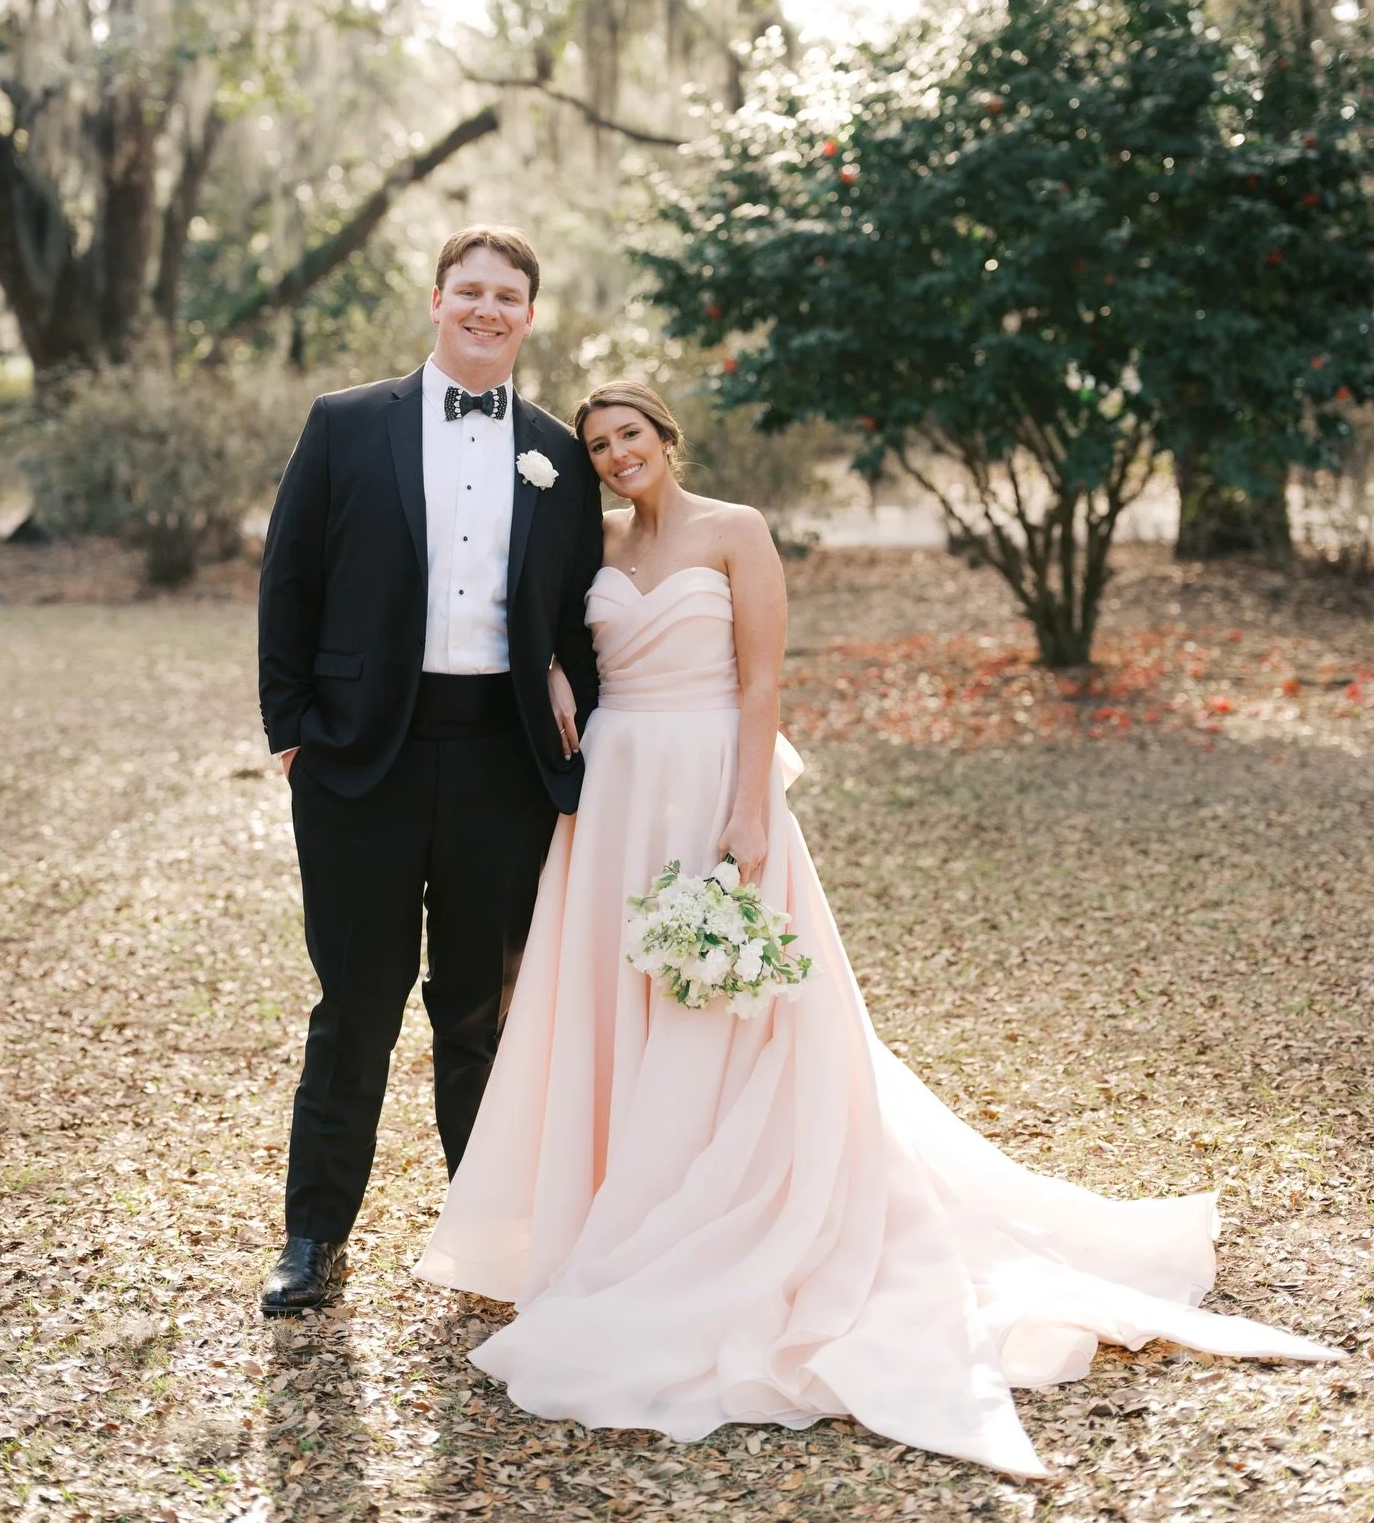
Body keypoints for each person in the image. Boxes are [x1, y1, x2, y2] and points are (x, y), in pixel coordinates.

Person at [414, 379, 1337, 1477]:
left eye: (632, 436)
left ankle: (722, 1211)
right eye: (600, 445)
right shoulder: (595, 542)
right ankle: (620, 1209)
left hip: (711, 777)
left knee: (731, 1008)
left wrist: (750, 809)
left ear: (667, 436)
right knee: (619, 1001)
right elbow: (530, 618)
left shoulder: (736, 530)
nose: (618, 456)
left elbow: (763, 678)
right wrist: (555, 672)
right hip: (617, 790)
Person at [256, 226, 602, 1315]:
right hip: (360, 759)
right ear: (438, 301)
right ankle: (314, 1239)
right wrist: (292, 730)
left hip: (501, 761)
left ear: (530, 316)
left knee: (478, 1011)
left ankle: (485, 1237)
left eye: (508, 295)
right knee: (356, 1005)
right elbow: (288, 579)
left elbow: (581, 604)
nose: (487, 309)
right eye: (470, 291)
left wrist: (568, 682)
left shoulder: (560, 454)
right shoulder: (346, 423)